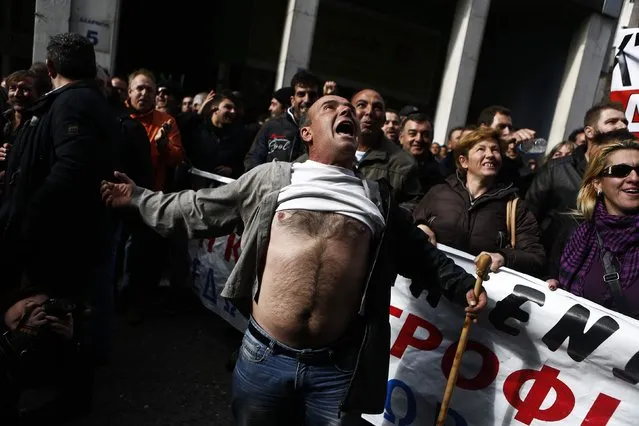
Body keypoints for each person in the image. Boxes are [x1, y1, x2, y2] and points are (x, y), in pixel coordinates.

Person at [101, 95, 487, 425]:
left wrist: (463, 285)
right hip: (263, 357)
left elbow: (421, 256)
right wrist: (137, 198)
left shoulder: (377, 197)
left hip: (337, 370)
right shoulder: (273, 178)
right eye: (332, 107)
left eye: (349, 109)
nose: (347, 111)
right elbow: (196, 208)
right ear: (307, 133)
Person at [413, 128, 545, 276]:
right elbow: (409, 224)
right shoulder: (438, 193)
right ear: (464, 161)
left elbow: (535, 257)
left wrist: (503, 256)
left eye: (495, 150)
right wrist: (421, 226)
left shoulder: (514, 206)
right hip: (427, 285)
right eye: (481, 149)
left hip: (480, 293)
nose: (490, 155)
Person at [552, 137, 639, 319]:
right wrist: (553, 287)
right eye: (620, 171)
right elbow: (550, 275)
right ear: (597, 183)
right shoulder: (576, 231)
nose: (634, 178)